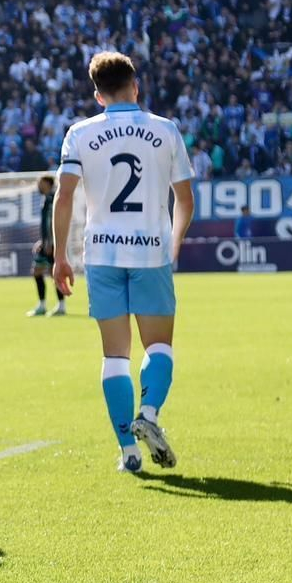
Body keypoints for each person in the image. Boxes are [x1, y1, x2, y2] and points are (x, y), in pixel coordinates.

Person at [53, 51, 194, 474]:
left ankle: (128, 454)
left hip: (101, 254)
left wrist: (59, 256)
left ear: (98, 95)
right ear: (136, 86)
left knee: (115, 357)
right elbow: (184, 199)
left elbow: (64, 196)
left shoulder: (79, 133)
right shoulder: (165, 130)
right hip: (151, 250)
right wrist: (175, 242)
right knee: (159, 346)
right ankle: (148, 414)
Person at [27, 175, 69, 316]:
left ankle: (61, 305)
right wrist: (42, 241)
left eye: (40, 183)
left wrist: (51, 242)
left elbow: (55, 222)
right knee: (37, 271)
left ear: (47, 183)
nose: (38, 186)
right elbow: (46, 224)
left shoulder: (53, 199)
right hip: (46, 243)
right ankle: (43, 304)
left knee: (54, 273)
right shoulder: (46, 199)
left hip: (52, 244)